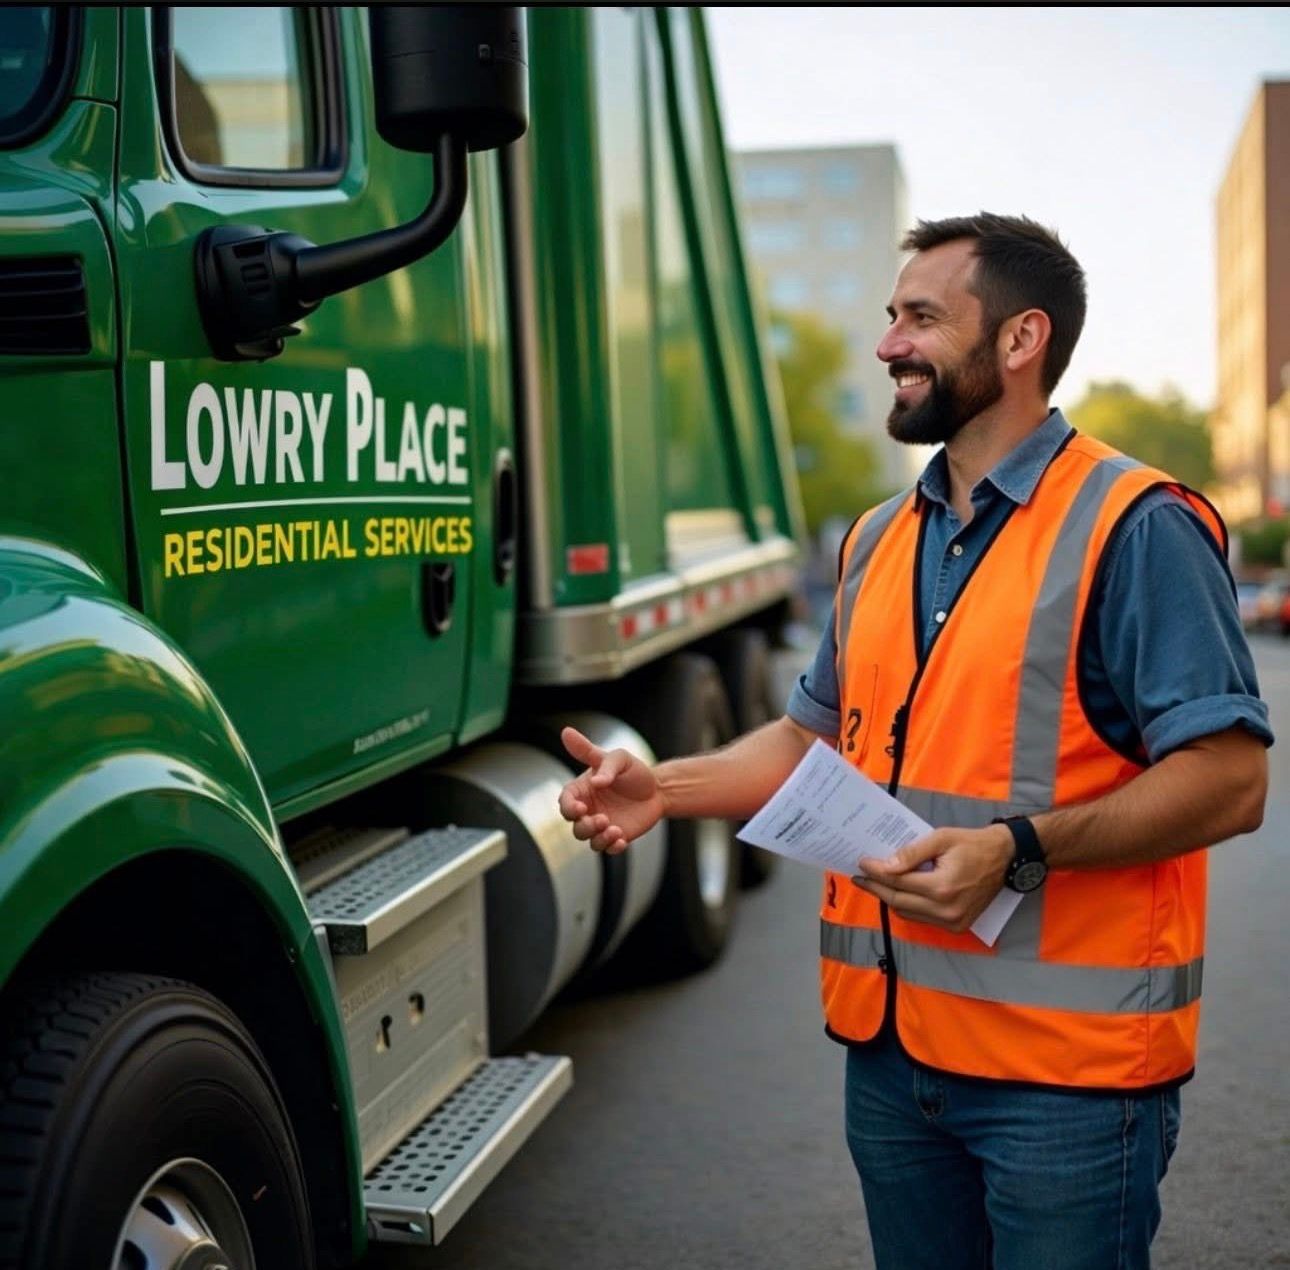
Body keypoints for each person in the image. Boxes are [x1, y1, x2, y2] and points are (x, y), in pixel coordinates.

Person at [556, 212, 1272, 1270]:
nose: (888, 343)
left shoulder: (1138, 523)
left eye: (922, 317)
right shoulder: (880, 537)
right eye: (892, 316)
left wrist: (1014, 848)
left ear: (1021, 341)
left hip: (1065, 1083)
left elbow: (1231, 780)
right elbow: (811, 741)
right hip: (892, 1063)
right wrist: (663, 785)